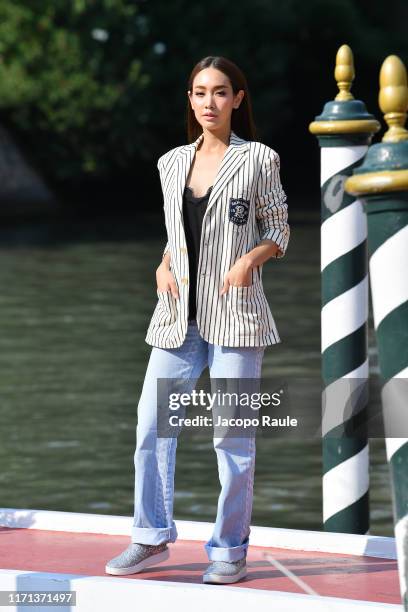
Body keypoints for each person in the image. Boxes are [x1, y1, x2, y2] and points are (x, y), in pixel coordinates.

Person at [105, 55, 290, 584]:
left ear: (238, 99)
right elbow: (174, 237)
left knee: (232, 438)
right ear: (190, 99)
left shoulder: (259, 159)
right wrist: (161, 264)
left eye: (221, 92)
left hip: (236, 316)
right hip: (175, 320)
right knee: (149, 427)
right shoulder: (169, 164)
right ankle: (150, 536)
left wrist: (250, 261)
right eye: (200, 92)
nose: (210, 101)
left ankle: (229, 548)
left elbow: (279, 229)